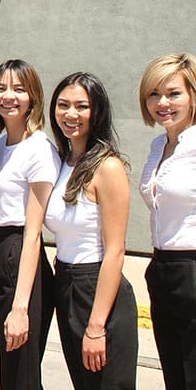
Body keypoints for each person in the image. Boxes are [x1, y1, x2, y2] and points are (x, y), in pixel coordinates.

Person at [45, 72, 137, 389]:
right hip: (66, 283)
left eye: (81, 106)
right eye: (63, 105)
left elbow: (116, 251)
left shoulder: (107, 167)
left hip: (98, 288)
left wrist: (96, 326)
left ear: (96, 111)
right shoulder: (62, 161)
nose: (71, 114)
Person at [0, 59, 59, 389]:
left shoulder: (39, 148)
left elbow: (33, 233)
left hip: (22, 256)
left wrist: (20, 306)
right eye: (1, 88)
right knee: (12, 369)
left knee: (22, 371)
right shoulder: (3, 144)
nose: (8, 96)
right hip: (2, 253)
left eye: (18, 88)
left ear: (33, 96)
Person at [138, 53, 196, 389]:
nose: (163, 103)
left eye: (174, 93)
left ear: (192, 95)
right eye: (154, 94)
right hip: (162, 269)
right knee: (174, 373)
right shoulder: (159, 144)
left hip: (191, 266)